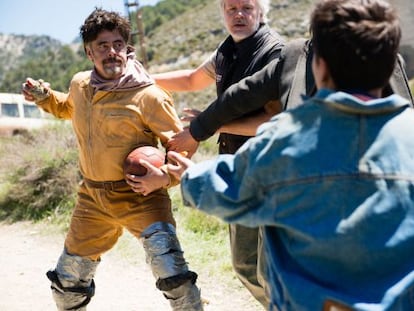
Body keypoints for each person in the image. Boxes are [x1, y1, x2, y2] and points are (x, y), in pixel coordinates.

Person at [166, 0, 414, 309]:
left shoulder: (284, 140)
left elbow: (224, 189)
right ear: (390, 63)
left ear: (318, 64)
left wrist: (186, 173)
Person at [21, 9, 203, 311]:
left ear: (127, 47)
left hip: (142, 198)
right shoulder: (80, 85)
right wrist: (43, 96)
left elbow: (181, 145)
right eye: (103, 46)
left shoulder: (149, 96)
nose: (112, 52)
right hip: (92, 200)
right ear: (88, 52)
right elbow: (68, 108)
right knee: (66, 287)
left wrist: (165, 178)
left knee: (176, 280)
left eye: (118, 44)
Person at [152, 0, 283, 306]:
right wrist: (140, 78)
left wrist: (212, 125)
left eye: (247, 8)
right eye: (231, 8)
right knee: (245, 265)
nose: (239, 14)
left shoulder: (275, 52)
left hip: (268, 171)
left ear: (260, 12)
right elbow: (189, 80)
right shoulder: (225, 52)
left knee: (272, 270)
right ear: (223, 12)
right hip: (233, 170)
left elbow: (274, 121)